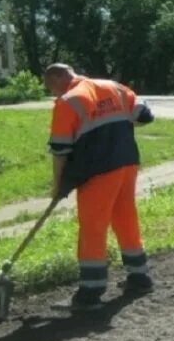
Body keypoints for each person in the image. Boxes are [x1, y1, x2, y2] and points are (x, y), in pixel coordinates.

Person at [43, 63, 155, 312]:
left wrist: (58, 185)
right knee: (126, 218)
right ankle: (140, 277)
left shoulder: (68, 101)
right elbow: (145, 116)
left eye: (51, 86)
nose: (53, 93)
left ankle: (90, 292)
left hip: (98, 172)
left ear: (60, 77)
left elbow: (61, 150)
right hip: (127, 163)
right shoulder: (114, 86)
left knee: (93, 226)